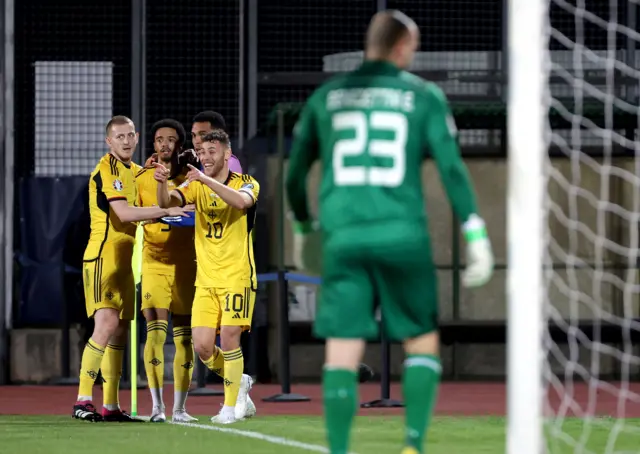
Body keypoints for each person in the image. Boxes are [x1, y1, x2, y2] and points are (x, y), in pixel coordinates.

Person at [285, 10, 494, 454]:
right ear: (402, 47)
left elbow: (294, 175)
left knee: (342, 349)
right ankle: (413, 445)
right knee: (420, 339)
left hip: (343, 239)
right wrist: (475, 232)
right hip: (403, 236)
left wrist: (304, 228)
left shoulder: (327, 97)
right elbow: (452, 169)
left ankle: (339, 450)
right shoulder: (423, 96)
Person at [74, 115, 188, 422]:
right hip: (103, 257)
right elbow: (124, 212)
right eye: (119, 136)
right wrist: (167, 209)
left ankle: (110, 405)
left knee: (120, 331)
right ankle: (83, 399)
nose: (125, 141)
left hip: (126, 261)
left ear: (136, 138)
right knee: (106, 324)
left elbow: (149, 186)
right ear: (108, 141)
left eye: (129, 135)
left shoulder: (134, 171)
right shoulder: (108, 169)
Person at [154, 130, 258, 424]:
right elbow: (168, 202)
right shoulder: (196, 185)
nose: (206, 157)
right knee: (201, 346)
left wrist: (204, 179)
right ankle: (240, 381)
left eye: (213, 151)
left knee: (229, 338)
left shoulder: (247, 183)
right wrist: (162, 185)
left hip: (237, 276)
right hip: (206, 280)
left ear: (227, 155)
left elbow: (240, 202)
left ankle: (228, 408)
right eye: (203, 152)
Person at [135, 119, 198, 423]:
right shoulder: (141, 177)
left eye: (171, 140)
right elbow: (131, 214)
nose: (164, 144)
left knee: (184, 339)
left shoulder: (192, 177)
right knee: (155, 335)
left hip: (187, 265)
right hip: (154, 263)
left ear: (179, 145)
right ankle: (157, 407)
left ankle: (181, 409)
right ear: (153, 144)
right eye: (159, 139)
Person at [145, 111, 242, 173]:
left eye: (203, 134)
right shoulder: (198, 162)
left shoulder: (229, 163)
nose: (197, 141)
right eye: (194, 135)